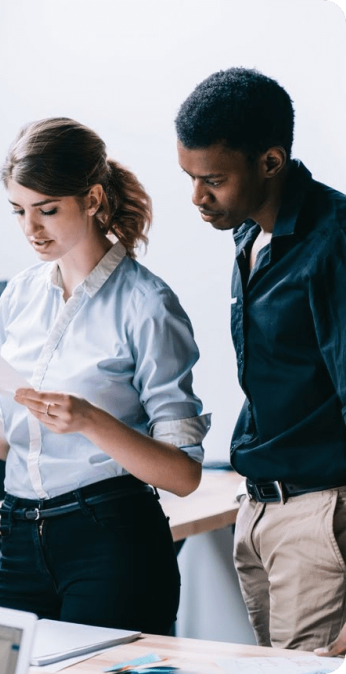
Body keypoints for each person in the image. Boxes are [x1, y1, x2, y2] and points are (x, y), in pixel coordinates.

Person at [0, 118, 209, 635]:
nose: (31, 229)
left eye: (47, 210)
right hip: (19, 540)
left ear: (92, 199)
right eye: (19, 211)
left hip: (112, 543)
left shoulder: (146, 305)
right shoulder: (17, 297)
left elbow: (183, 475)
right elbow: (20, 449)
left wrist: (88, 420)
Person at [175, 67, 346, 653]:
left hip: (320, 518)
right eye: (191, 178)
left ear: (270, 163)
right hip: (258, 509)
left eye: (212, 180)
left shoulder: (334, 244)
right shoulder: (249, 235)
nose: (197, 197)